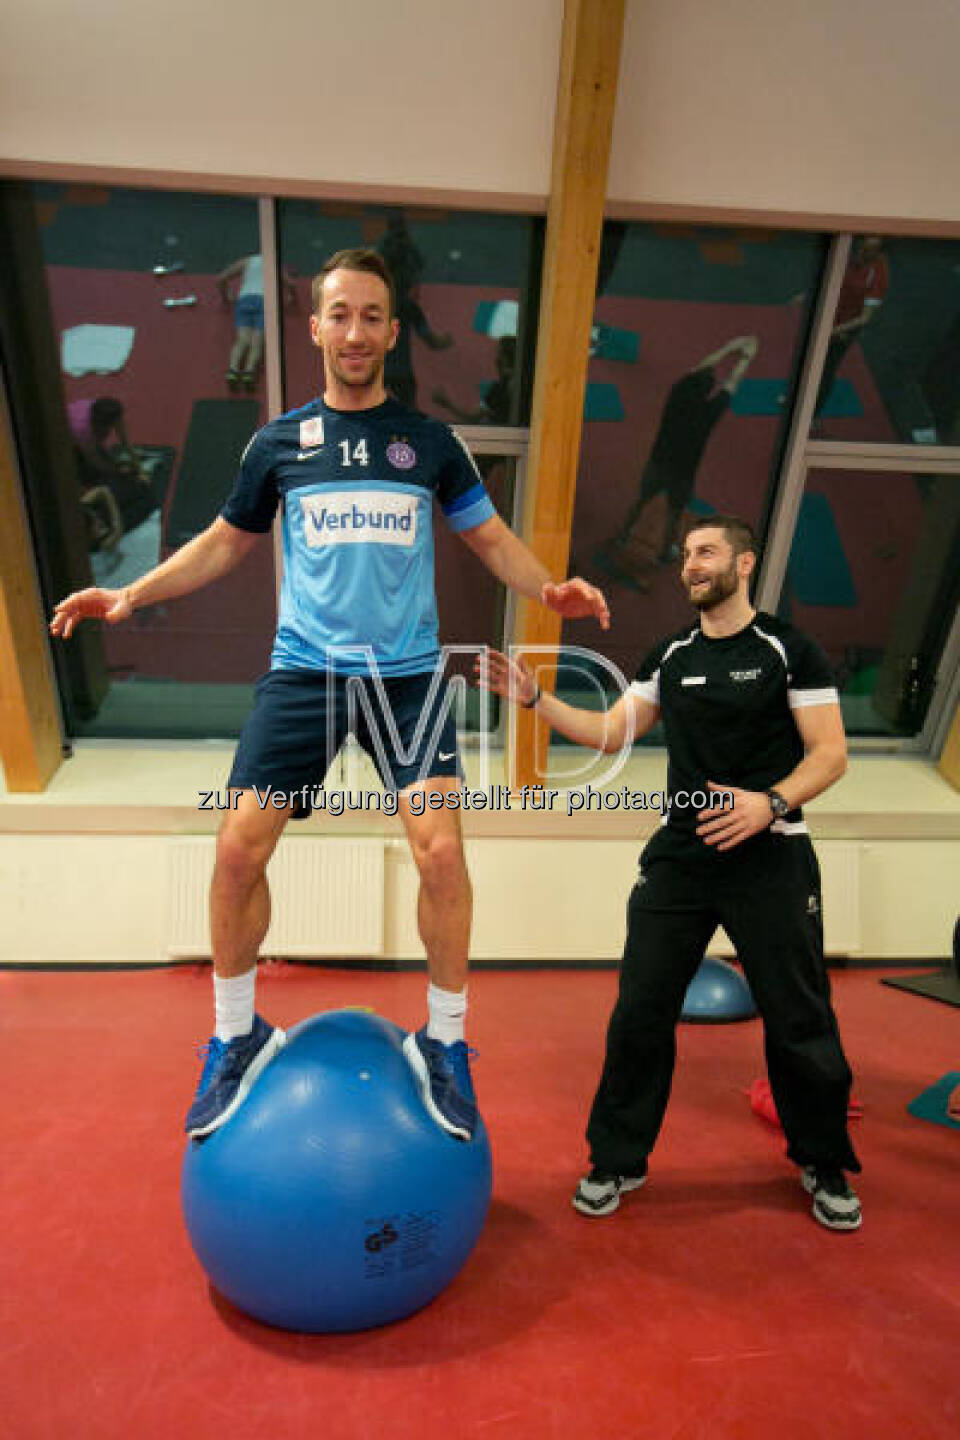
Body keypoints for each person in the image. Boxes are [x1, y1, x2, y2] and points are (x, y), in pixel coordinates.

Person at [51, 247, 609, 1144]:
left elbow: (492, 539)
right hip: (305, 674)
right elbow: (224, 543)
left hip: (407, 678)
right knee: (236, 852)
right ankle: (235, 1035)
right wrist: (130, 595)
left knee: (440, 859)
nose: (355, 332)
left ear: (391, 330)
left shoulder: (428, 444)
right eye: (339, 314)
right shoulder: (278, 444)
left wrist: (549, 591)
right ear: (315, 327)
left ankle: (449, 1047)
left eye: (372, 316)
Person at [477, 514, 863, 1231]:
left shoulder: (788, 649)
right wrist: (536, 699)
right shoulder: (672, 653)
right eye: (686, 554)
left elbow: (829, 754)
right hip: (681, 860)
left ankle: (823, 1159)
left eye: (707, 552)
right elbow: (610, 731)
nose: (692, 564)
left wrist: (768, 804)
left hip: (771, 855)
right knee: (640, 1014)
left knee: (799, 1015)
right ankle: (617, 1158)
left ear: (744, 565)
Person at [595, 338, 758, 591]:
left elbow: (698, 369)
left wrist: (728, 348)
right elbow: (732, 384)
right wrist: (746, 359)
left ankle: (623, 534)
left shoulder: (677, 393)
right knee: (674, 514)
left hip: (657, 463)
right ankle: (664, 551)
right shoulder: (708, 414)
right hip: (682, 474)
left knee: (641, 500)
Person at [378, 215, 453, 407]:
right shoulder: (407, 306)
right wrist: (446, 341)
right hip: (400, 372)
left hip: (375, 371)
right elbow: (431, 341)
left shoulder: (377, 305)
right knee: (409, 419)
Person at [813, 235, 889, 420]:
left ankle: (812, 414)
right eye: (861, 247)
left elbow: (865, 318)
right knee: (809, 356)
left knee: (826, 369)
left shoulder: (878, 275)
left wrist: (834, 331)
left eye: (867, 250)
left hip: (845, 328)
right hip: (829, 315)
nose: (861, 252)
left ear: (878, 253)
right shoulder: (850, 257)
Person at [217, 255, 297, 392]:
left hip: (245, 299)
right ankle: (249, 372)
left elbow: (221, 279)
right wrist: (291, 297)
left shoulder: (247, 261)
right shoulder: (274, 264)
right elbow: (290, 284)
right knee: (257, 340)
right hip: (265, 301)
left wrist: (226, 296)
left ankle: (233, 369)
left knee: (242, 339)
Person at [432, 336, 517, 427]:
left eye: (499, 355)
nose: (495, 360)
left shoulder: (502, 389)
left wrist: (446, 403)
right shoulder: (501, 388)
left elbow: (474, 417)